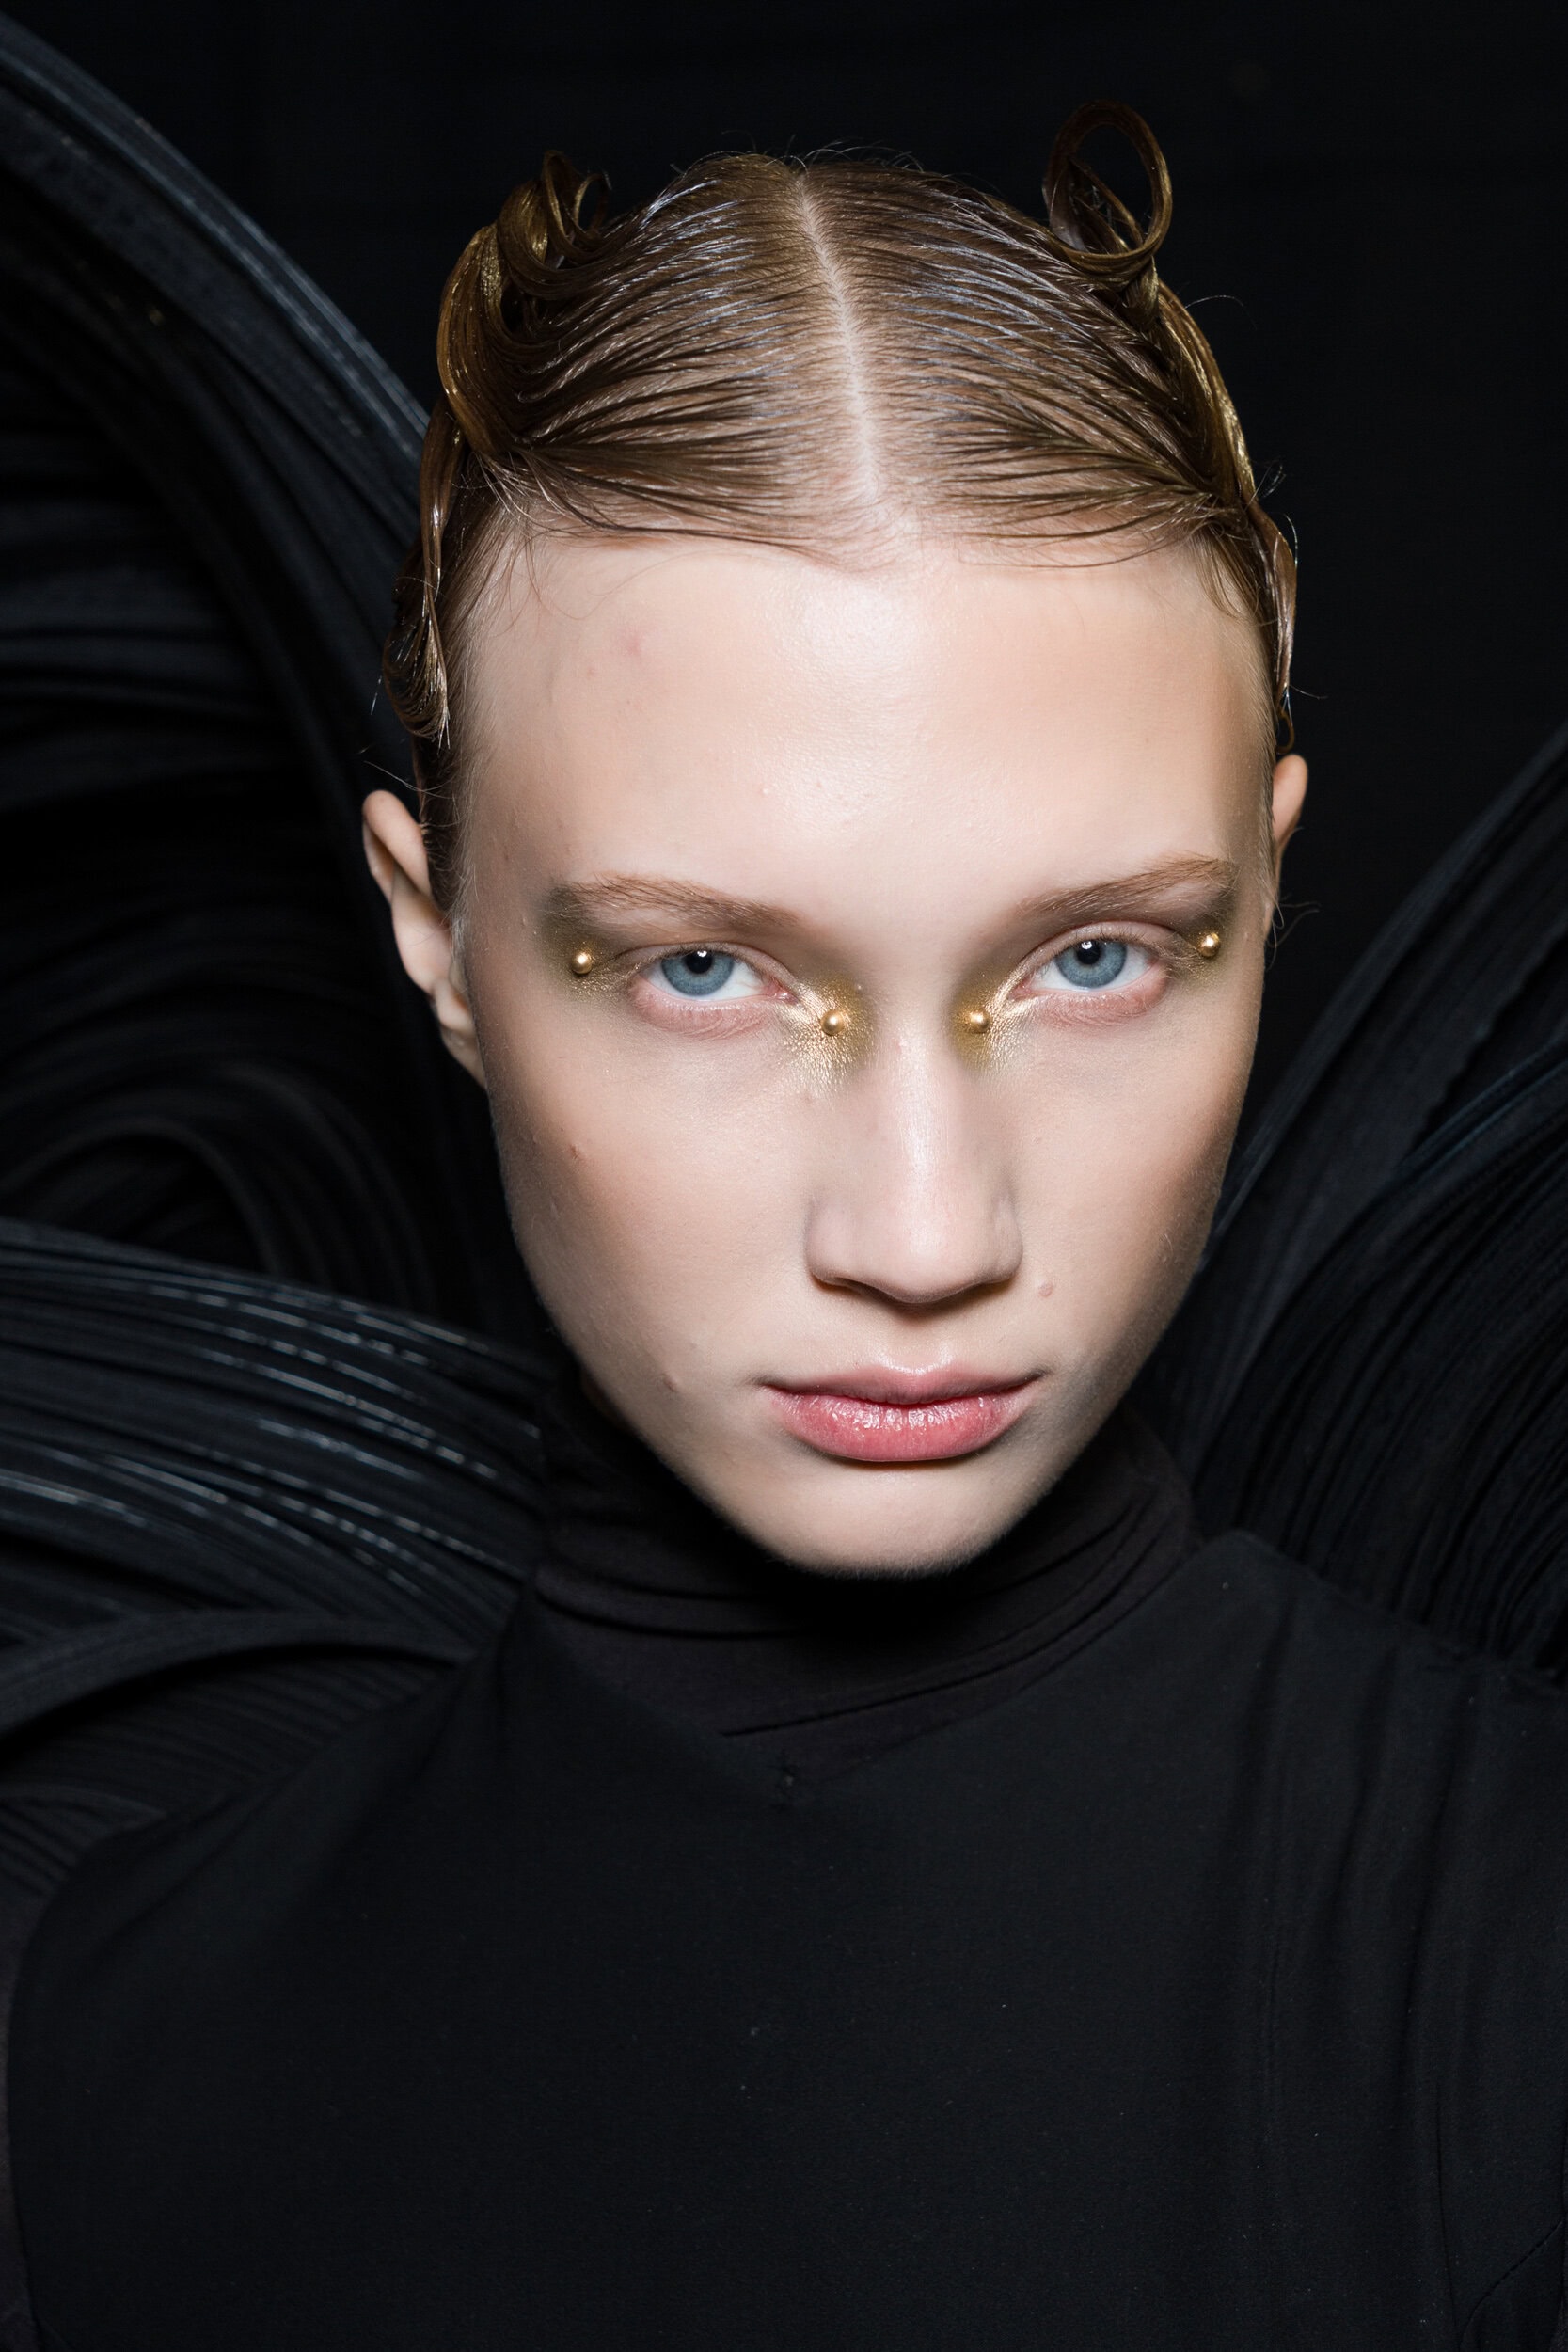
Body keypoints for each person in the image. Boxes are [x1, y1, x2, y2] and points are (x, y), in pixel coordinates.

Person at [6, 101, 1568, 2352]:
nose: (923, 1233)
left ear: (1267, 891)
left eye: (1098, 957)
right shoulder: (91, 2046)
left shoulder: (1515, 1974)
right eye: (705, 969)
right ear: (436, 940)